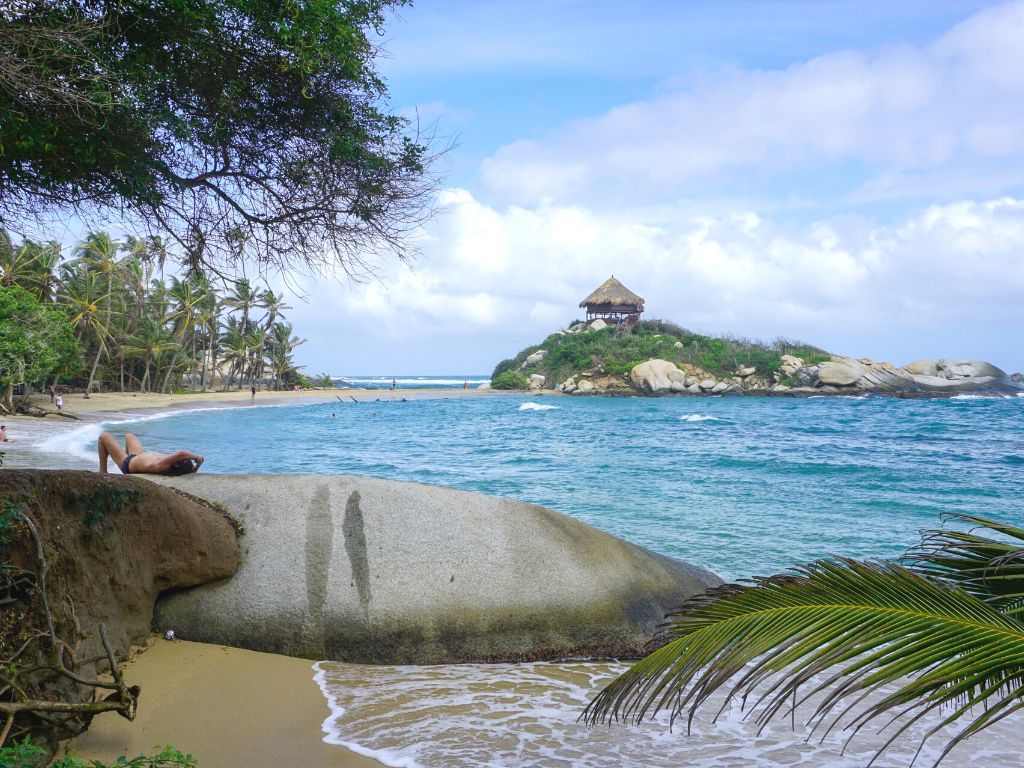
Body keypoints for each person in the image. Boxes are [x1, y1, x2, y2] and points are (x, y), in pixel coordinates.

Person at [97, 432, 204, 476]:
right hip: (138, 455)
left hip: (128, 463)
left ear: (177, 464)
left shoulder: (161, 466)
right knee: (129, 436)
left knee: (103, 436)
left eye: (182, 459)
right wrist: (198, 464)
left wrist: (197, 457)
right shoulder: (171, 464)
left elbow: (181, 453)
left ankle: (103, 471)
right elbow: (193, 470)